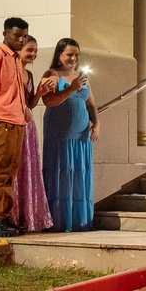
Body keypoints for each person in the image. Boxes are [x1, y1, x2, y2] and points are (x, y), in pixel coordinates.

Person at [41, 38, 99, 232]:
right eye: (69, 54)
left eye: (77, 55)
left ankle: (79, 221)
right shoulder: (52, 74)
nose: (74, 58)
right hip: (60, 135)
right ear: (59, 54)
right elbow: (49, 101)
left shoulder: (82, 76)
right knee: (62, 174)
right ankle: (59, 221)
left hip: (81, 136)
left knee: (78, 176)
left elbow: (90, 104)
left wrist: (96, 124)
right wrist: (71, 88)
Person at [11, 35, 54, 232]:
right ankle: (9, 217)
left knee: (28, 170)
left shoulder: (29, 73)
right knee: (13, 169)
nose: (33, 54)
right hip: (13, 125)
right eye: (30, 50)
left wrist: (39, 93)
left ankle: (26, 217)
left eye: (35, 50)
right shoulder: (10, 71)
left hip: (29, 128)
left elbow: (31, 105)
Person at [0, 17, 31, 237]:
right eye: (17, 35)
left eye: (24, 36)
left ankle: (3, 216)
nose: (21, 39)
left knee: (10, 170)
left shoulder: (16, 59)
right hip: (2, 120)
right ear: (5, 34)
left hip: (17, 121)